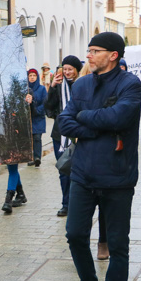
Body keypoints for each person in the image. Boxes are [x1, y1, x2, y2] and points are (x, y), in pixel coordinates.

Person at [58, 32, 141, 281]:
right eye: (88, 50)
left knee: (118, 244)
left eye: (94, 51)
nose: (89, 56)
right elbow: (64, 122)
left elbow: (120, 118)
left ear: (113, 55)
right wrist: (94, 124)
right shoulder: (81, 84)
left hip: (118, 176)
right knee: (75, 234)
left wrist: (84, 120)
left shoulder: (130, 84)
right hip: (82, 174)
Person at [45, 55, 83, 217]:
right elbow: (48, 109)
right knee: (64, 169)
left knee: (79, 170)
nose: (67, 72)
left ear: (76, 70)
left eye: (70, 69)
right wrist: (52, 87)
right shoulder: (59, 86)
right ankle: (66, 204)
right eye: (65, 69)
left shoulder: (83, 84)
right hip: (59, 134)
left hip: (79, 133)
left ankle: (78, 203)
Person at [26, 68, 47, 167]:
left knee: (37, 137)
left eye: (34, 75)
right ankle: (31, 158)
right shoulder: (25, 88)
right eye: (30, 76)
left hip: (38, 117)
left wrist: (38, 110)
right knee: (30, 139)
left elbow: (45, 102)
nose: (32, 77)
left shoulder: (42, 89)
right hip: (29, 118)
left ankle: (37, 157)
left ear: (37, 77)